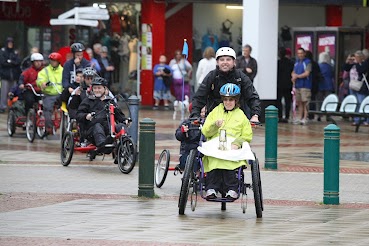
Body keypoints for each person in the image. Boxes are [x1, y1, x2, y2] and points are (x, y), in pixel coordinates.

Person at [201, 83, 252, 200]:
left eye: (231, 100)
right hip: (216, 143)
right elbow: (205, 131)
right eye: (226, 99)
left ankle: (232, 189)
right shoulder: (215, 111)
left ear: (236, 100)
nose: (228, 102)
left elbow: (247, 134)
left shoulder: (241, 115)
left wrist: (238, 142)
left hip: (233, 145)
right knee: (214, 158)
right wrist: (214, 125)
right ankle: (211, 188)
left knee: (229, 159)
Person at [191, 47, 260, 123]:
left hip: (237, 119)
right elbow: (199, 97)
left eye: (228, 59)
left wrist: (255, 115)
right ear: (217, 62)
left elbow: (252, 96)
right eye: (222, 60)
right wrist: (195, 115)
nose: (225, 62)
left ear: (234, 62)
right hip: (214, 119)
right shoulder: (212, 76)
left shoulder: (240, 76)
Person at [76, 77, 127, 156]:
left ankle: (127, 146)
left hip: (108, 129)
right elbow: (78, 115)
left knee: (121, 126)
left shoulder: (110, 101)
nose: (97, 90)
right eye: (95, 88)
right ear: (92, 89)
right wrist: (87, 116)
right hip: (91, 130)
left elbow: (119, 115)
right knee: (98, 126)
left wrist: (125, 120)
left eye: (99, 88)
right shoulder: (88, 101)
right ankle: (102, 145)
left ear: (105, 89)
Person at [36, 52, 63, 135]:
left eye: (54, 61)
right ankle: (49, 127)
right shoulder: (45, 71)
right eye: (51, 60)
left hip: (60, 93)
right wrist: (42, 83)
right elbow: (40, 79)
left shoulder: (63, 70)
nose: (52, 62)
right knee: (47, 109)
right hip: (49, 94)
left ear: (58, 62)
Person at [175, 105, 206, 172]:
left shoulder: (207, 122)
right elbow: (178, 135)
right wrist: (183, 132)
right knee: (187, 161)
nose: (202, 114)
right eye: (201, 112)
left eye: (204, 112)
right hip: (188, 149)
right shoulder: (187, 122)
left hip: (202, 149)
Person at [343, 50, 369, 126]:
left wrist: (357, 63)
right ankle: (356, 119)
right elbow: (346, 68)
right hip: (352, 85)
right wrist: (348, 61)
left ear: (361, 57)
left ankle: (366, 119)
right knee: (355, 103)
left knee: (362, 103)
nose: (355, 59)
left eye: (357, 57)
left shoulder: (364, 64)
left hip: (361, 86)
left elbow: (361, 71)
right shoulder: (354, 64)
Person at [61, 43, 90, 108]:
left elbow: (87, 77)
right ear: (73, 55)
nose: (79, 57)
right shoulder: (68, 64)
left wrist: (79, 66)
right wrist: (68, 88)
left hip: (83, 88)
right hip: (71, 87)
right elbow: (65, 79)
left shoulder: (87, 63)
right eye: (77, 55)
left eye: (81, 55)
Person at [0, 37, 21, 113]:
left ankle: (12, 106)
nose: (10, 44)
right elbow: (3, 62)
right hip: (5, 75)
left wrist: (10, 62)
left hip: (14, 75)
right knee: (4, 92)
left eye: (11, 43)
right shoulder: (3, 51)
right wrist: (12, 62)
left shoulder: (15, 52)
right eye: (9, 43)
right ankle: (3, 107)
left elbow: (18, 62)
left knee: (13, 92)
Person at [291, 48, 312, 125]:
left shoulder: (307, 62)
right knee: (299, 102)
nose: (300, 55)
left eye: (301, 53)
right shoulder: (296, 63)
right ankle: (300, 117)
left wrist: (297, 76)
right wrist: (293, 76)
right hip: (297, 85)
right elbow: (293, 72)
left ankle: (305, 117)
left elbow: (307, 73)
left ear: (304, 54)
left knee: (305, 102)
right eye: (298, 53)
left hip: (305, 85)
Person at [276, 47, 294, 123]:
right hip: (288, 84)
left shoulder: (278, 63)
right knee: (288, 101)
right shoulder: (291, 63)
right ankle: (286, 116)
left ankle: (280, 116)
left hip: (279, 85)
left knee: (279, 101)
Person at [317, 52, 335, 120]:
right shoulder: (330, 67)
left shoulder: (319, 66)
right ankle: (328, 115)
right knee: (328, 100)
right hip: (328, 84)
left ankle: (319, 114)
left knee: (319, 100)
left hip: (320, 84)